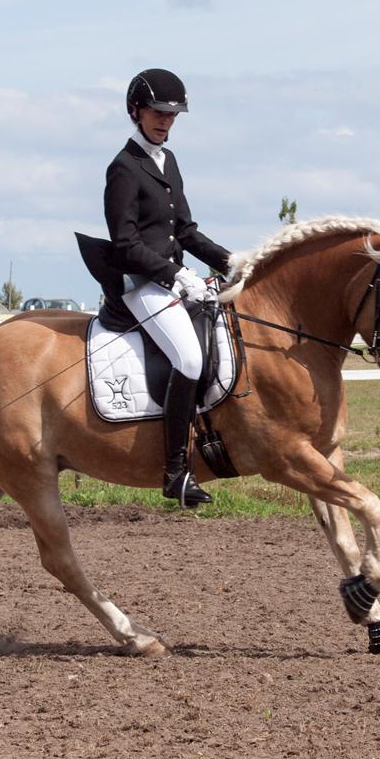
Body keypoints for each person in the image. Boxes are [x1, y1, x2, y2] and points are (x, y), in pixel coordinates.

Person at [100, 68, 231, 508]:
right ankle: (175, 470)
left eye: (172, 116)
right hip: (141, 285)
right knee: (189, 357)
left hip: (173, 280)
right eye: (158, 113)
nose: (165, 122)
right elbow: (125, 243)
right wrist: (176, 276)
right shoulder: (123, 168)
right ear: (135, 111)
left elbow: (187, 232)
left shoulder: (167, 161)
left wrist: (234, 262)